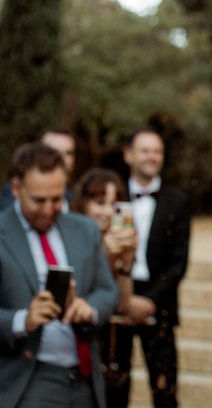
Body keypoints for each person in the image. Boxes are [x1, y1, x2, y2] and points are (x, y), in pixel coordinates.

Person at [0, 142, 118, 408]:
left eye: (57, 198)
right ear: (16, 188)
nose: (48, 209)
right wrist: (22, 320)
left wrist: (89, 309)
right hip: (27, 380)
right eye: (38, 200)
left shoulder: (85, 229)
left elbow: (108, 291)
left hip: (85, 379)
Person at [109, 127, 191, 408]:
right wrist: (123, 298)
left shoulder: (177, 201)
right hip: (117, 299)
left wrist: (150, 301)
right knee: (115, 385)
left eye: (157, 151)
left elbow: (179, 263)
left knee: (164, 388)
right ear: (128, 154)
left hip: (159, 303)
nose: (152, 157)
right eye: (145, 150)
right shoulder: (112, 196)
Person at [71, 168, 138, 402]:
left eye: (114, 204)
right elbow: (76, 292)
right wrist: (103, 253)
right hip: (78, 343)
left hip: (112, 343)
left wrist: (126, 264)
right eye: (100, 203)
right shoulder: (70, 236)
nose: (107, 212)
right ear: (84, 203)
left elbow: (124, 304)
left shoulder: (119, 239)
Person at [0, 128, 77, 212]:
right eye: (54, 152)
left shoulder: (74, 199)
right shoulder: (10, 199)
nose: (63, 159)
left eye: (68, 153)